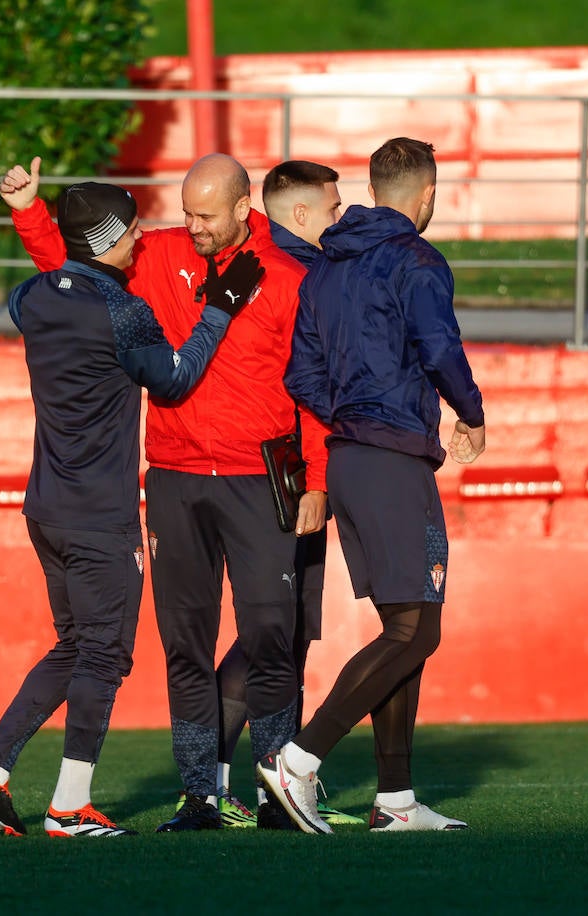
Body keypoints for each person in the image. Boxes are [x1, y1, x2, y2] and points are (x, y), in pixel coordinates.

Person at [0, 153, 331, 832]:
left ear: (245, 208)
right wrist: (31, 213)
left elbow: (314, 390)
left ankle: (277, 792)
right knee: (185, 643)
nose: (191, 226)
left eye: (205, 215)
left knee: (273, 635)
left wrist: (319, 481)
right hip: (176, 477)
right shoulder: (158, 256)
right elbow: (74, 273)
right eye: (186, 212)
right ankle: (199, 796)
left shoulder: (292, 277)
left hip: (260, 477)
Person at [0, 180, 264, 837]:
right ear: (102, 242)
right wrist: (219, 312)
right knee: (104, 657)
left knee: (75, 646)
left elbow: (47, 288)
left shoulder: (30, 298)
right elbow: (176, 377)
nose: (140, 240)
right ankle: (69, 808)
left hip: (46, 507)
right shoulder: (123, 311)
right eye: (128, 232)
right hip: (100, 516)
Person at [264, 137, 487, 834]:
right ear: (426, 195)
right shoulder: (417, 260)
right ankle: (298, 759)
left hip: (351, 458)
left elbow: (300, 376)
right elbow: (440, 347)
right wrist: (471, 415)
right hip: (391, 460)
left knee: (403, 624)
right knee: (419, 629)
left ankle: (395, 802)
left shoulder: (325, 270)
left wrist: (353, 419)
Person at [206, 158, 361, 828]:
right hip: (282, 476)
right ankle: (229, 783)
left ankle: (250, 783)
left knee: (281, 634)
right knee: (274, 634)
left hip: (271, 471)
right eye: (333, 206)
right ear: (300, 215)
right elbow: (305, 385)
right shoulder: (298, 274)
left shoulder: (260, 263)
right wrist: (321, 481)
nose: (341, 216)